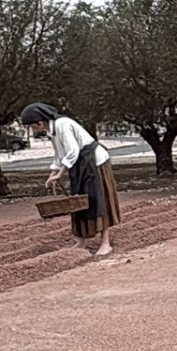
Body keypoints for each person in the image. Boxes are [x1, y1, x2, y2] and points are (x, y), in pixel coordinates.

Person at [20, 102, 122, 256]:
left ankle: (105, 243)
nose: (32, 129)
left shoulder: (63, 125)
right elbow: (60, 155)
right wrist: (52, 173)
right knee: (79, 202)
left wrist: (60, 173)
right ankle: (81, 241)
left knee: (97, 201)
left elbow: (72, 151)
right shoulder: (52, 131)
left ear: (40, 122)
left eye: (32, 126)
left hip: (95, 163)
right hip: (81, 165)